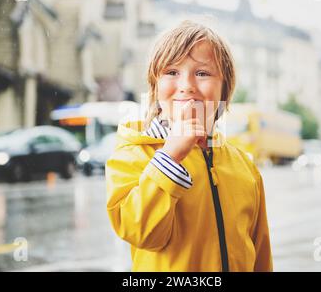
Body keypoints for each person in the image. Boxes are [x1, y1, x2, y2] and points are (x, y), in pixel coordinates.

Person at [106, 20, 273, 271]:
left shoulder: (245, 168)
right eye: (171, 72)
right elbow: (140, 232)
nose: (186, 86)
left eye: (202, 73)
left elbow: (260, 255)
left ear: (224, 88)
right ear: (155, 87)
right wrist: (170, 157)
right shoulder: (133, 154)